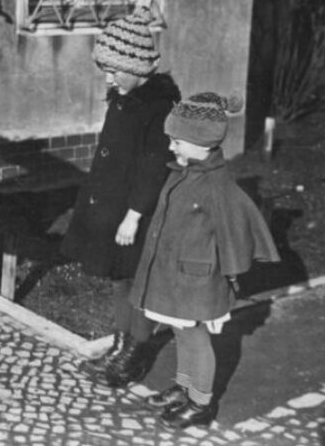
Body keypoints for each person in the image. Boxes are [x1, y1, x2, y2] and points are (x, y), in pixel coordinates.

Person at [128, 92, 280, 428]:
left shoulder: (216, 185)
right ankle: (184, 388)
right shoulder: (184, 172)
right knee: (181, 332)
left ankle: (200, 403)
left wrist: (232, 273)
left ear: (202, 143)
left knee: (196, 338)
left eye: (177, 141)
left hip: (198, 280)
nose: (171, 147)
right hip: (176, 276)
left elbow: (237, 228)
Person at [60, 6, 180, 387]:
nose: (108, 78)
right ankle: (120, 343)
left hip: (137, 211)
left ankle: (135, 353)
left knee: (139, 281)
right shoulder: (123, 98)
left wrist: (134, 213)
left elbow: (154, 165)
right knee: (118, 277)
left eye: (114, 70)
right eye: (105, 70)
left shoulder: (158, 107)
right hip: (114, 206)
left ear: (137, 67)